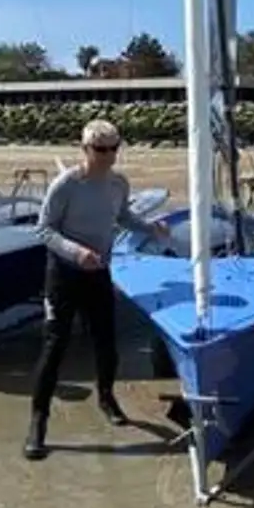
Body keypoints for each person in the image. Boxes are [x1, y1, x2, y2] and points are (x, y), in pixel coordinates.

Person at [24, 119, 170, 460]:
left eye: (113, 149)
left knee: (106, 341)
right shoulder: (66, 185)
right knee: (55, 345)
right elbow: (43, 230)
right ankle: (38, 420)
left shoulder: (118, 183)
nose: (107, 156)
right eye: (99, 150)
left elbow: (123, 217)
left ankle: (106, 397)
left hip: (98, 272)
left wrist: (150, 227)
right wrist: (76, 252)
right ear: (85, 149)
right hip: (64, 274)